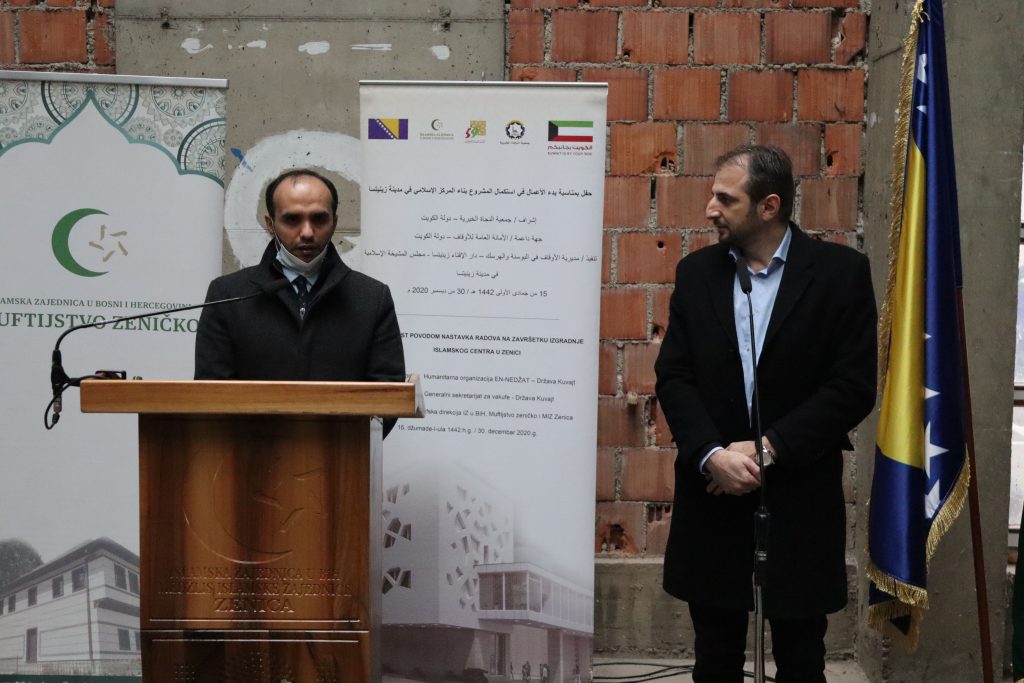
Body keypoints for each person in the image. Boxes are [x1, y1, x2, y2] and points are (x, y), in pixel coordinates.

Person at [654, 145, 876, 683]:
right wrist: (712, 454)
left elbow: (851, 387)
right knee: (715, 657)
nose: (710, 209)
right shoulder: (696, 273)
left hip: (798, 494)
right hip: (713, 493)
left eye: (725, 199)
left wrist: (767, 449)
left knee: (801, 659)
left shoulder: (841, 273)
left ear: (769, 205)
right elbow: (674, 376)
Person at [195, 169, 406, 430]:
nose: (307, 232)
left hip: (343, 452)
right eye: (292, 219)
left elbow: (388, 394)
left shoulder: (372, 297)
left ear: (335, 221)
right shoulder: (228, 295)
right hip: (250, 452)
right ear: (270, 224)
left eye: (319, 218)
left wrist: (342, 445)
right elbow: (212, 394)